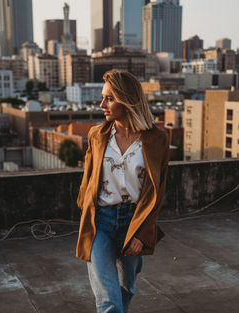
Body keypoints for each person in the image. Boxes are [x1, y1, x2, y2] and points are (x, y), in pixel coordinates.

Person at [76, 69, 170, 313]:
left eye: (109, 98)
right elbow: (88, 179)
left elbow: (157, 192)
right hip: (101, 224)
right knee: (107, 299)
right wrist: (85, 210)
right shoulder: (97, 135)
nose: (102, 104)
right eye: (103, 97)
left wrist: (143, 233)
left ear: (127, 100)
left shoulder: (157, 138)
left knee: (126, 288)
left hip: (134, 223)